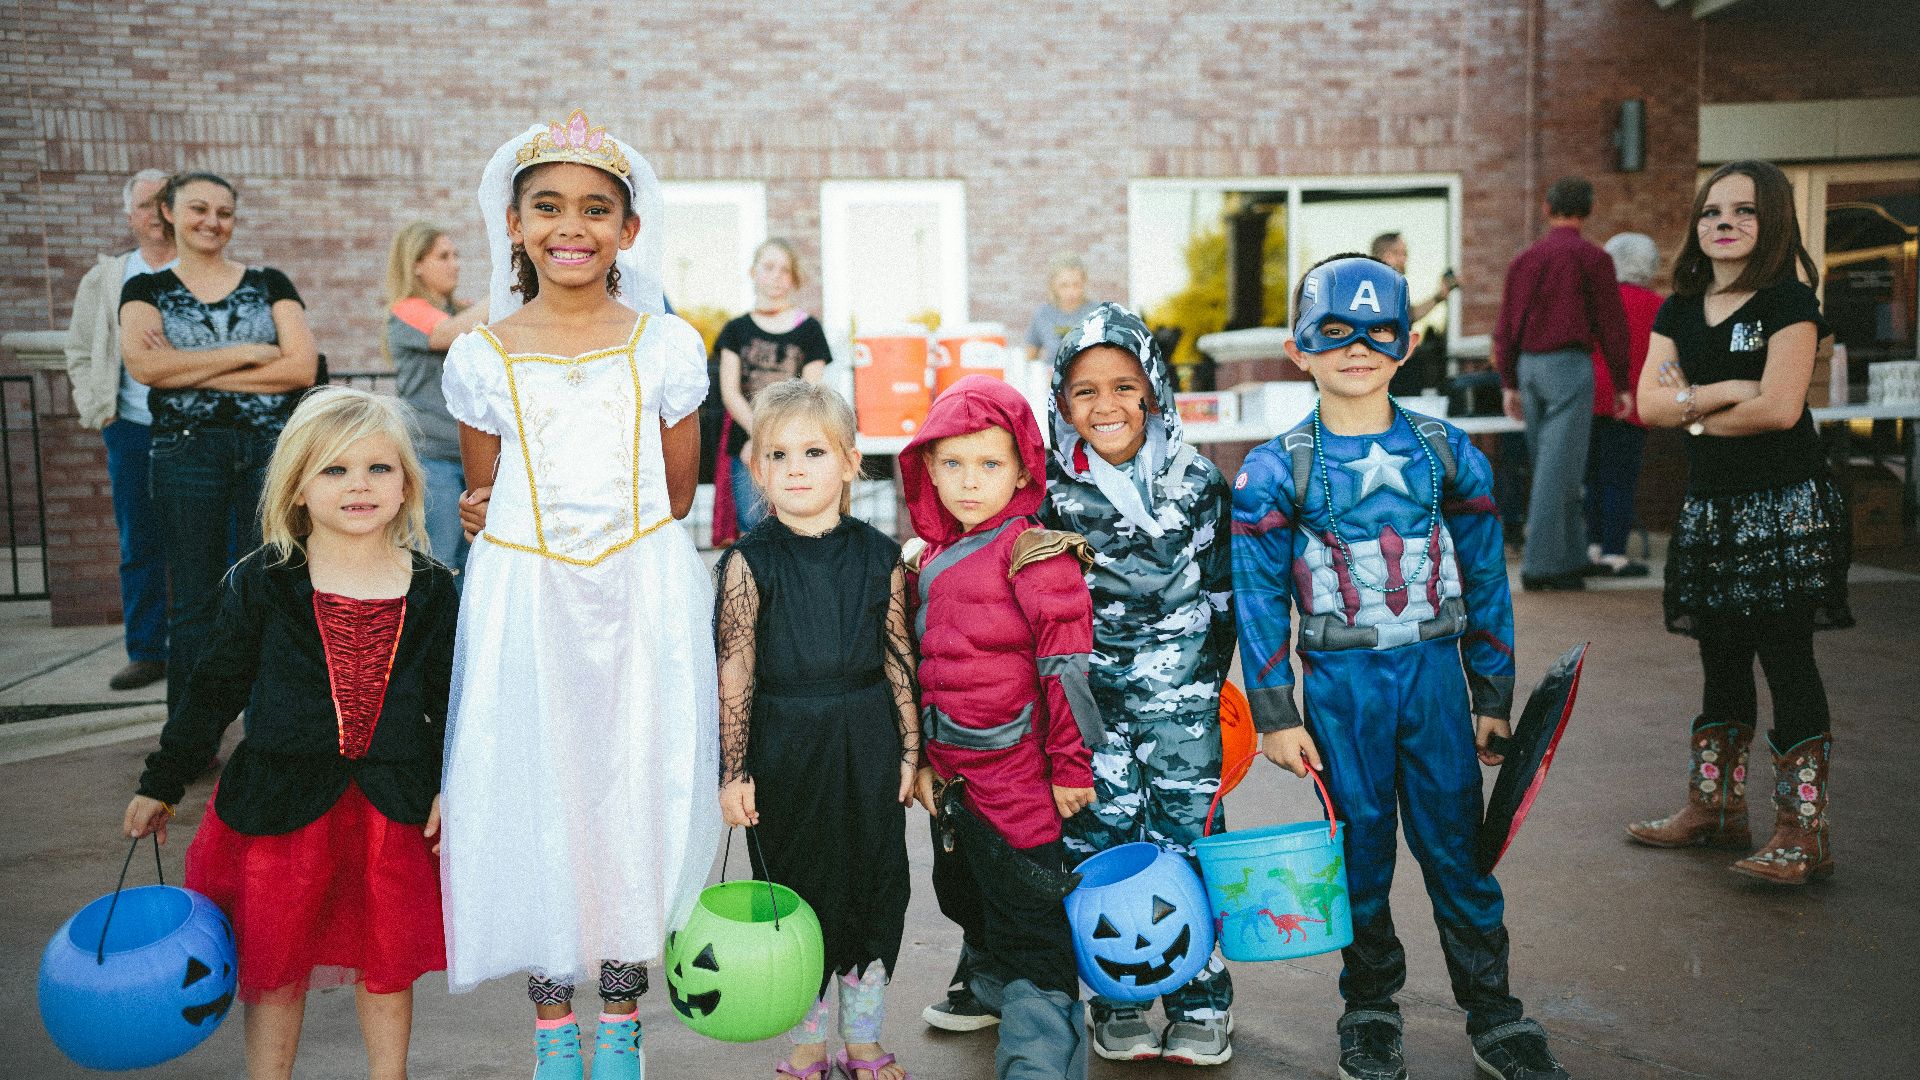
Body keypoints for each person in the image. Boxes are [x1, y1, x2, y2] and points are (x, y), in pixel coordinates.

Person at [1233, 255, 1568, 1080]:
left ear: (1408, 343)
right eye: (1333, 331)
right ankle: (1371, 1006)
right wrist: (1276, 714)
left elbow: (1487, 574)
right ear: (1297, 347)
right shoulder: (1276, 468)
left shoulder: (1447, 450)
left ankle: (1495, 1011)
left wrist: (1492, 692)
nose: (1358, 348)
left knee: (1459, 850)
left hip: (1433, 680)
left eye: (1377, 331)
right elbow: (1256, 596)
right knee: (1360, 853)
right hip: (1341, 689)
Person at [436, 110, 720, 1080]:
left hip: (639, 591)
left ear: (628, 231)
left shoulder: (666, 346)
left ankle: (623, 1018)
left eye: (598, 209)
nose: (573, 226)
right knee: (537, 786)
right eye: (548, 207)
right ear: (513, 224)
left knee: (628, 785)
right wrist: (494, 517)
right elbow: (487, 486)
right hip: (526, 599)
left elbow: (677, 489)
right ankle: (553, 1027)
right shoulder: (482, 357)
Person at [122, 386, 455, 1080]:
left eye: (378, 469)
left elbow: (452, 701)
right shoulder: (263, 581)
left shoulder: (432, 588)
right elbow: (212, 688)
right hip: (278, 807)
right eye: (334, 470)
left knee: (385, 964)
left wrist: (452, 785)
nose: (358, 485)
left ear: (406, 486)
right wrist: (163, 780)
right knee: (276, 967)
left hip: (392, 807)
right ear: (298, 487)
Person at [1626, 160, 1851, 888]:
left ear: (1774, 221)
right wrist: (1723, 392)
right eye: (1711, 210)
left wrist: (1691, 408)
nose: (1723, 222)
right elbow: (1651, 407)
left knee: (1786, 659)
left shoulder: (1790, 303)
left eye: (1744, 211)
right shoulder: (1679, 310)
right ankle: (1716, 810)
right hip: (1712, 510)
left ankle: (1801, 831)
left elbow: (1781, 409)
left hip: (1784, 507)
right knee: (1719, 656)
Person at [1036, 303, 1236, 1065]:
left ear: (1153, 387)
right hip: (1089, 718)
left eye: (1124, 386)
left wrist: (1198, 688)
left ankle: (1202, 1000)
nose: (1107, 406)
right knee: (1099, 841)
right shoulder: (1050, 491)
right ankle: (1115, 997)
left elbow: (1223, 599)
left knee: (1189, 841)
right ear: (1060, 402)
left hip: (1182, 712)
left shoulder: (1197, 483)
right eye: (1084, 392)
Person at [715, 379, 921, 1080]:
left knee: (875, 879)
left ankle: (862, 1038)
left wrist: (911, 749)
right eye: (777, 454)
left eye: (813, 451)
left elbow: (899, 655)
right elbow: (735, 671)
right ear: (756, 469)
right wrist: (734, 770)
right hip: (784, 743)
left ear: (850, 461)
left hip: (866, 736)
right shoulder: (749, 560)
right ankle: (806, 1041)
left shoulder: (878, 553)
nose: (795, 468)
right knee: (792, 885)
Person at [901, 374, 1100, 1080]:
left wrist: (1071, 766)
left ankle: (1040, 1053)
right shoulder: (924, 561)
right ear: (927, 467)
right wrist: (920, 760)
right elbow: (923, 670)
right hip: (952, 778)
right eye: (951, 464)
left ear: (1021, 469)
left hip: (1019, 773)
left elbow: (1067, 669)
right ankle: (987, 987)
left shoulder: (1034, 554)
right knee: (964, 893)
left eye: (989, 464)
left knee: (1029, 915)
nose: (969, 482)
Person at [120, 171, 320, 724]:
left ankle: (273, 727)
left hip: (267, 451)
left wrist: (186, 371)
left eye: (224, 212)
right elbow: (144, 367)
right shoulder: (145, 290)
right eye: (198, 209)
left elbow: (300, 367)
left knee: (274, 586)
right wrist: (253, 352)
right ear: (169, 213)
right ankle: (192, 734)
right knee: (193, 602)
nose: (212, 221)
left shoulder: (270, 281)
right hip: (186, 455)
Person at [64, 168, 175, 692]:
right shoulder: (109, 276)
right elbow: (81, 349)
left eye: (165, 202)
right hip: (130, 429)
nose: (156, 213)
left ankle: (214, 650)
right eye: (146, 204)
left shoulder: (197, 269)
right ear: (129, 215)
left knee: (215, 540)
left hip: (195, 431)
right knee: (140, 541)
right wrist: (98, 410)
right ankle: (148, 650)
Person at [1491, 176, 1631, 592]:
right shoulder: (1594, 259)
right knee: (1560, 468)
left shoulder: (1525, 261)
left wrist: (1509, 382)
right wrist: (1622, 382)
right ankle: (1542, 565)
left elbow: (1505, 326)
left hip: (1529, 367)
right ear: (1587, 211)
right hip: (1569, 364)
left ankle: (1568, 558)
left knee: (1553, 464)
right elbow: (1612, 325)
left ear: (1547, 209)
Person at [384, 221, 488, 576]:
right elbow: (445, 334)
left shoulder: (465, 309)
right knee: (436, 564)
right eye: (443, 256)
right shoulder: (407, 309)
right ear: (416, 264)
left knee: (475, 563)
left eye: (456, 255)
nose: (454, 264)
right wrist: (505, 290)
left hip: (475, 457)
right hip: (431, 459)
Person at [713, 239, 833, 540]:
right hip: (748, 447)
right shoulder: (735, 330)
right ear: (754, 272)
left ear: (794, 279)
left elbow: (810, 392)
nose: (777, 276)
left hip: (796, 446)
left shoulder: (810, 330)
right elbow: (730, 393)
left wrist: (775, 442)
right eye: (769, 267)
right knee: (754, 532)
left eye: (785, 270)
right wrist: (761, 439)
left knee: (798, 529)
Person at [1583, 233, 1663, 578]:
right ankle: (1614, 553)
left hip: (1589, 398)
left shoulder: (1595, 300)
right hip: (1631, 401)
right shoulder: (1659, 306)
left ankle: (1592, 546)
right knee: (1620, 480)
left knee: (1592, 478)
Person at [1023, 255, 1100, 364]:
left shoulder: (1098, 313)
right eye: (1064, 285)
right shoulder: (1043, 314)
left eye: (1076, 284)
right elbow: (1030, 357)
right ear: (1053, 286)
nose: (1071, 292)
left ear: (1084, 283)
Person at [1369, 231, 1455, 324]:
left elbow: (1410, 315)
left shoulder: (1387, 290)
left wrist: (1439, 296)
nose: (1406, 259)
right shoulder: (1372, 289)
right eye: (1404, 253)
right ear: (1388, 256)